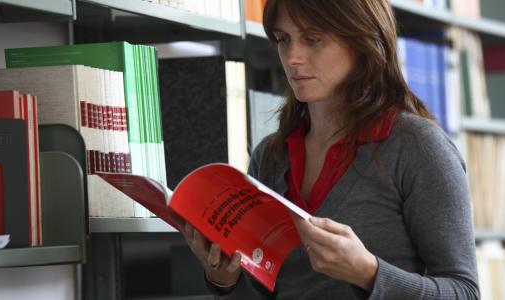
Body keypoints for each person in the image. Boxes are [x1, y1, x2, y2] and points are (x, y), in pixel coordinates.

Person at [180, 0, 479, 299]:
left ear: (362, 41)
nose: (293, 57)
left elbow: (464, 292)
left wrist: (368, 273)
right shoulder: (269, 158)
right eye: (284, 39)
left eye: (312, 39)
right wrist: (225, 281)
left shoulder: (419, 148)